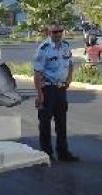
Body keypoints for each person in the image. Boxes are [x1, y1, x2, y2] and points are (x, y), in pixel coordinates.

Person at [33, 22, 79, 162]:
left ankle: (63, 152)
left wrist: (69, 80)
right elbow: (37, 73)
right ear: (49, 33)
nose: (58, 34)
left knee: (61, 122)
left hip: (60, 89)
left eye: (60, 31)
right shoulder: (44, 49)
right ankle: (46, 154)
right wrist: (40, 94)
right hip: (48, 88)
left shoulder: (65, 46)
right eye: (54, 32)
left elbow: (70, 64)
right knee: (45, 123)